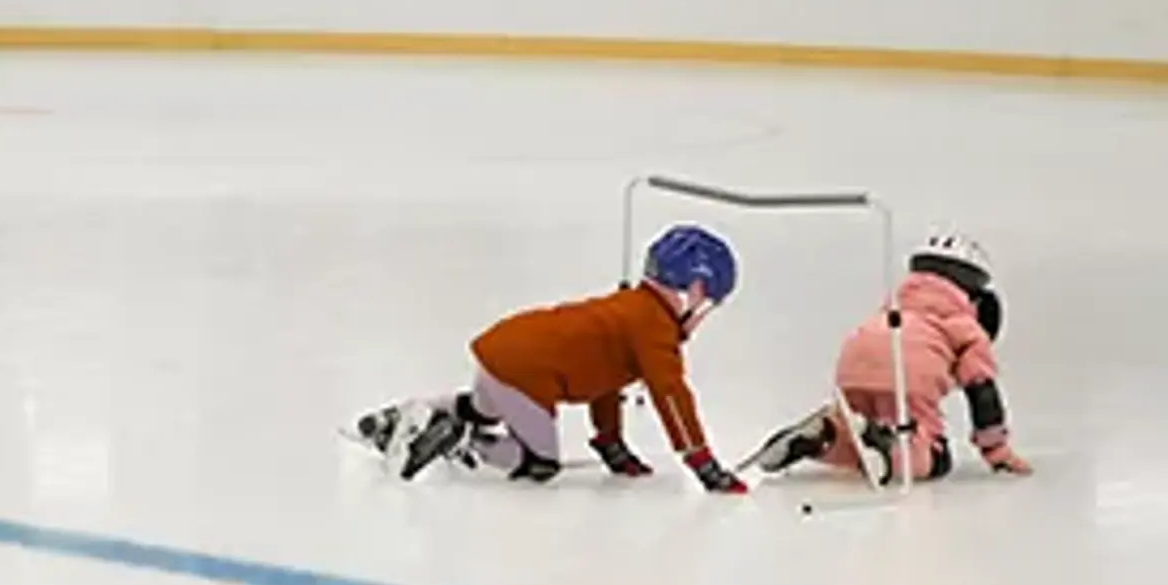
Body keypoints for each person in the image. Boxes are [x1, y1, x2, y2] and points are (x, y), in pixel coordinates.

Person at [357, 225, 749, 492]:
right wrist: (702, 464)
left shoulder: (631, 308)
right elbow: (670, 395)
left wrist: (610, 443)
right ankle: (463, 441)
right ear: (695, 290)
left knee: (480, 407)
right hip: (526, 374)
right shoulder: (654, 329)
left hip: (504, 351)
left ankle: (403, 415)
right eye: (707, 306)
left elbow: (607, 380)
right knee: (538, 462)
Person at [746, 231, 1034, 484]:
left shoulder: (895, 305)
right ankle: (893, 447)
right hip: (908, 374)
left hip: (854, 359)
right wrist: (997, 452)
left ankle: (826, 437)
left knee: (860, 442)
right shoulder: (965, 325)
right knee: (930, 455)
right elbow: (982, 392)